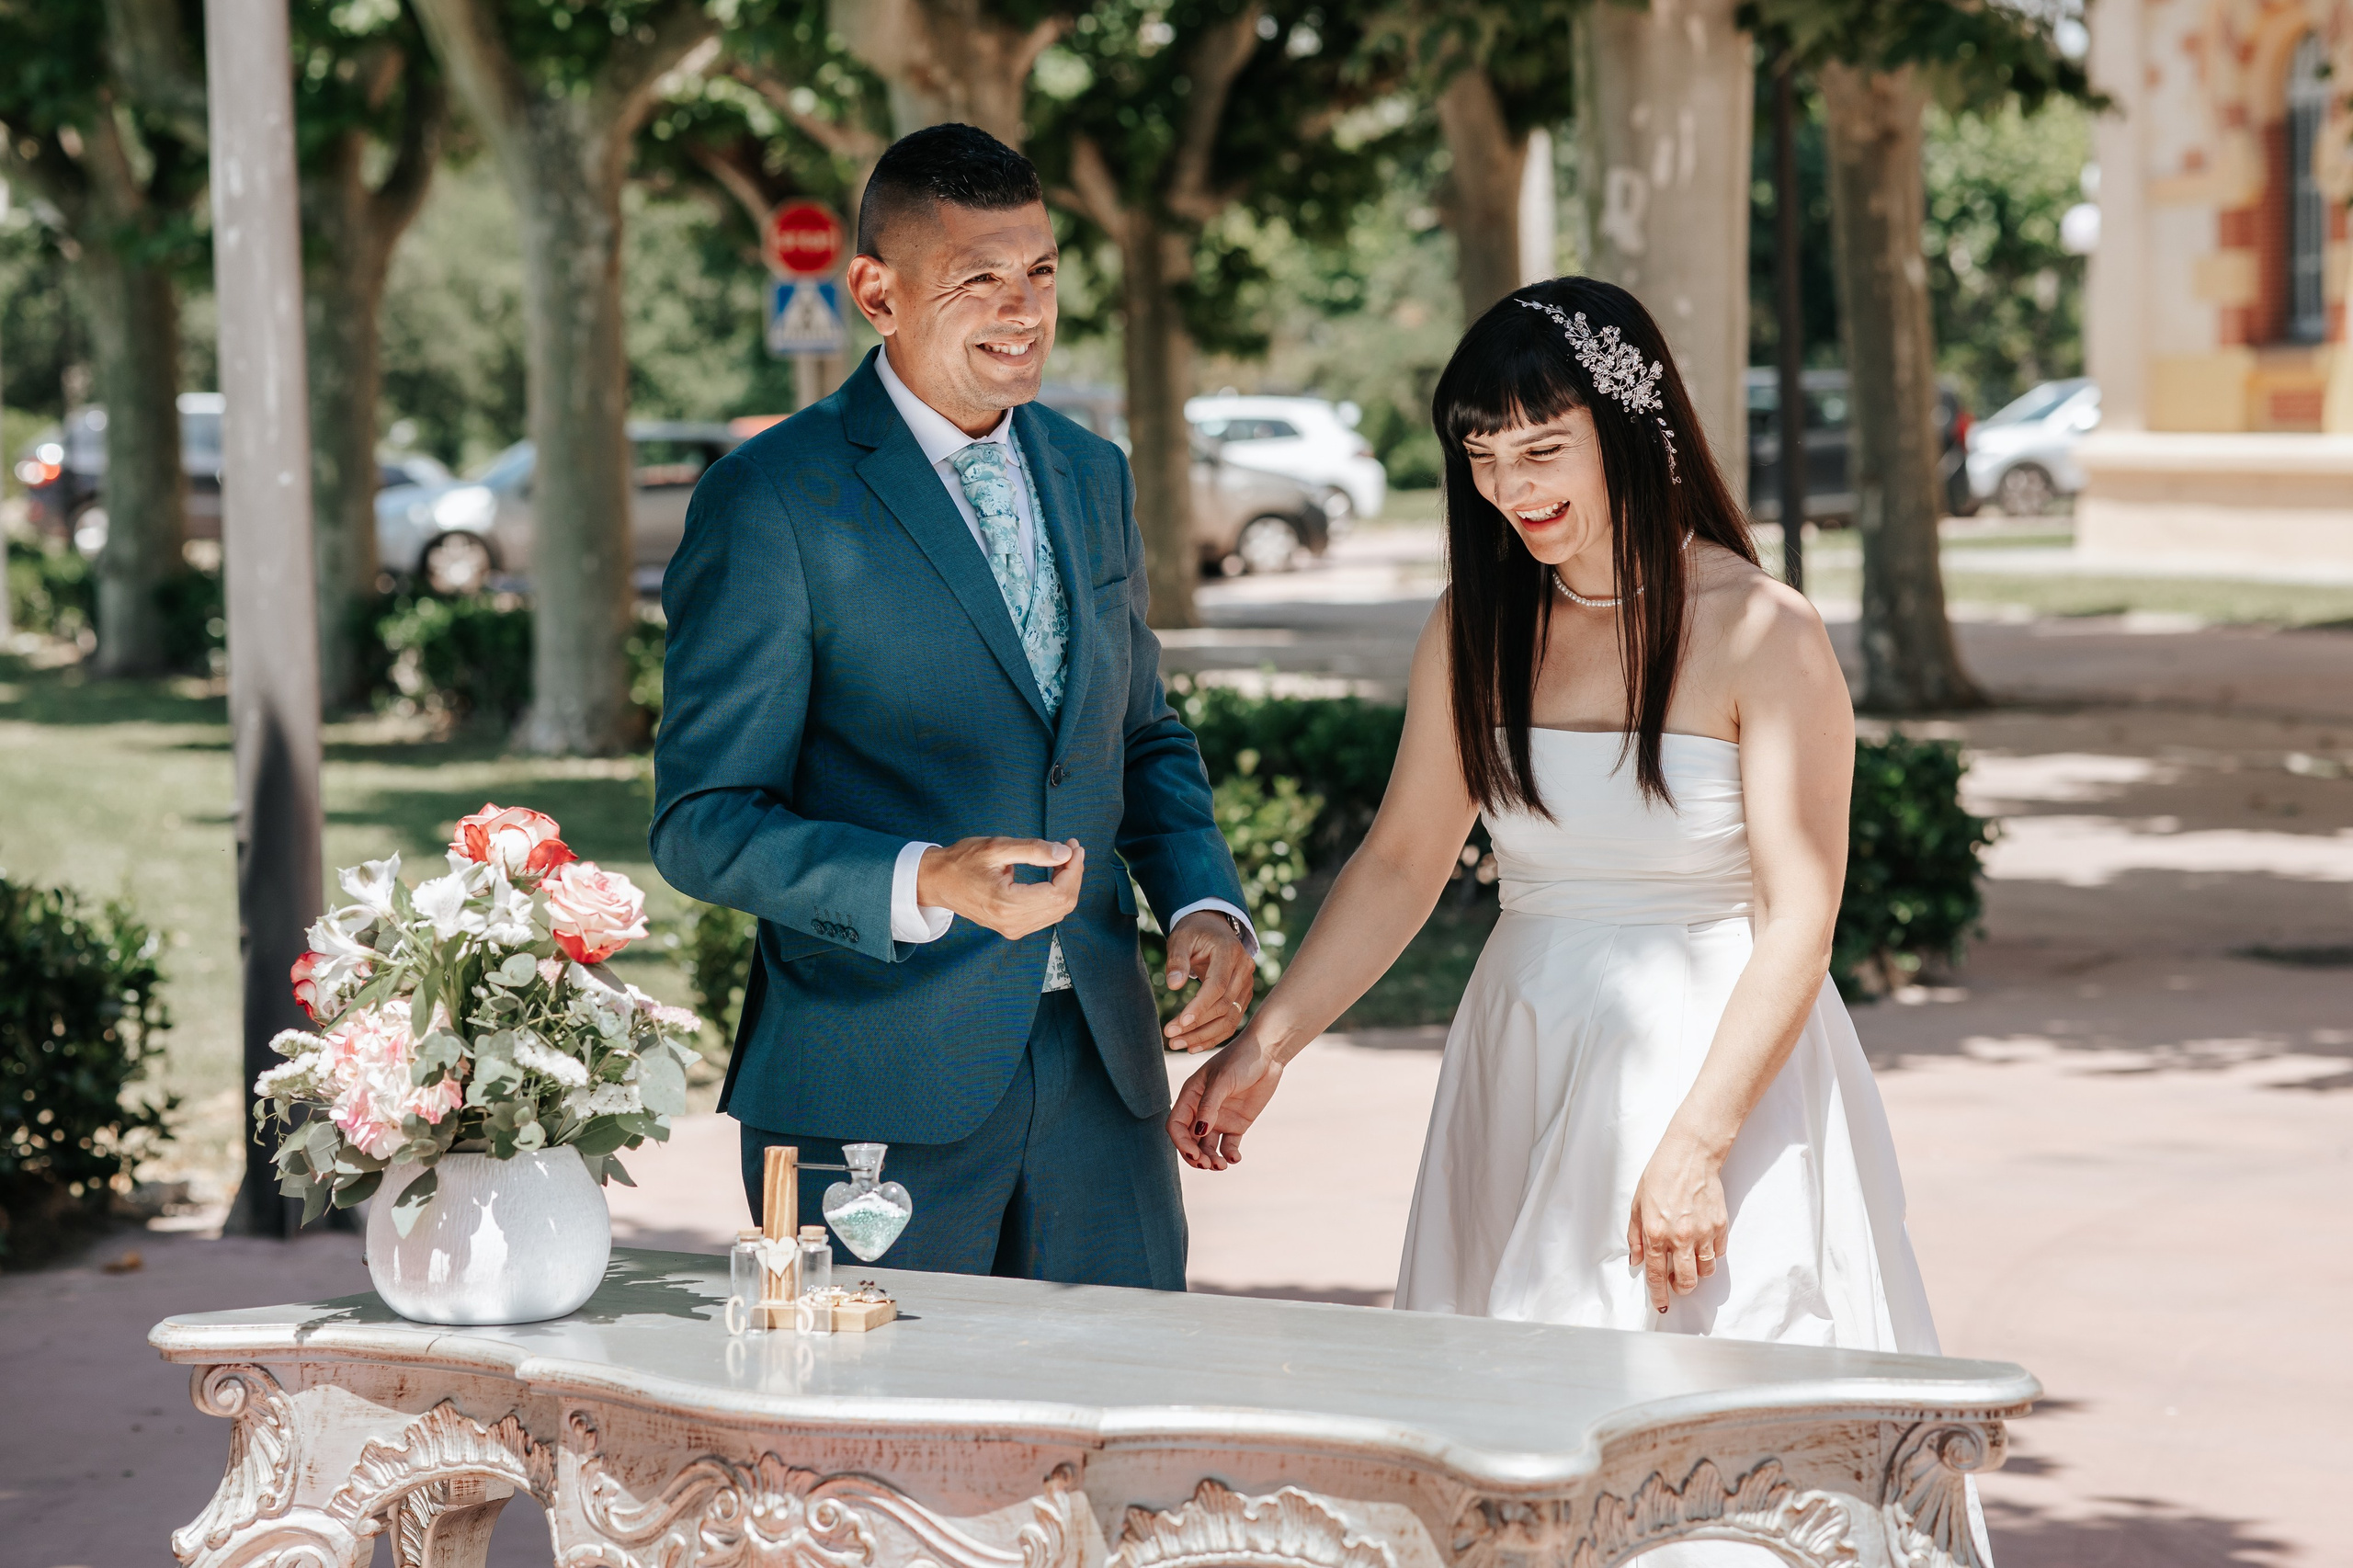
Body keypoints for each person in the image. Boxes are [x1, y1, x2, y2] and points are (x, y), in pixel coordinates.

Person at [1170, 277, 1958, 1366]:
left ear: (1631, 428)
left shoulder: (1762, 631)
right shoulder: (1473, 626)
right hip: (1525, 1042)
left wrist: (1697, 1142)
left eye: (1541, 450)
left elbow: (1798, 921)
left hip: (1719, 1063)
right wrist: (1268, 1045)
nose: (1509, 486)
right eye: (1483, 457)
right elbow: (1401, 861)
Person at [653, 123, 1258, 1290]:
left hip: (1102, 1081)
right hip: (870, 1091)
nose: (1022, 309)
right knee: (877, 1460)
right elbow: (704, 820)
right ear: (876, 292)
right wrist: (926, 877)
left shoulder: (1093, 474)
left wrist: (1205, 901)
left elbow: (1142, 733)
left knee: (1114, 1440)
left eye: (1039, 273)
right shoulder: (771, 499)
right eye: (978, 277)